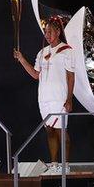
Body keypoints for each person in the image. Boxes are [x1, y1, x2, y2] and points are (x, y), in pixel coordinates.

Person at [14, 15, 75, 174]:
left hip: (59, 97)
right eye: (45, 32)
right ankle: (54, 165)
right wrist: (21, 59)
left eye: (50, 32)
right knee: (49, 130)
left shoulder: (67, 51)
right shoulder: (42, 53)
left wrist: (69, 99)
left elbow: (70, 76)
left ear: (58, 31)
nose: (47, 35)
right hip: (44, 98)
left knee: (62, 130)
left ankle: (66, 165)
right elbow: (35, 74)